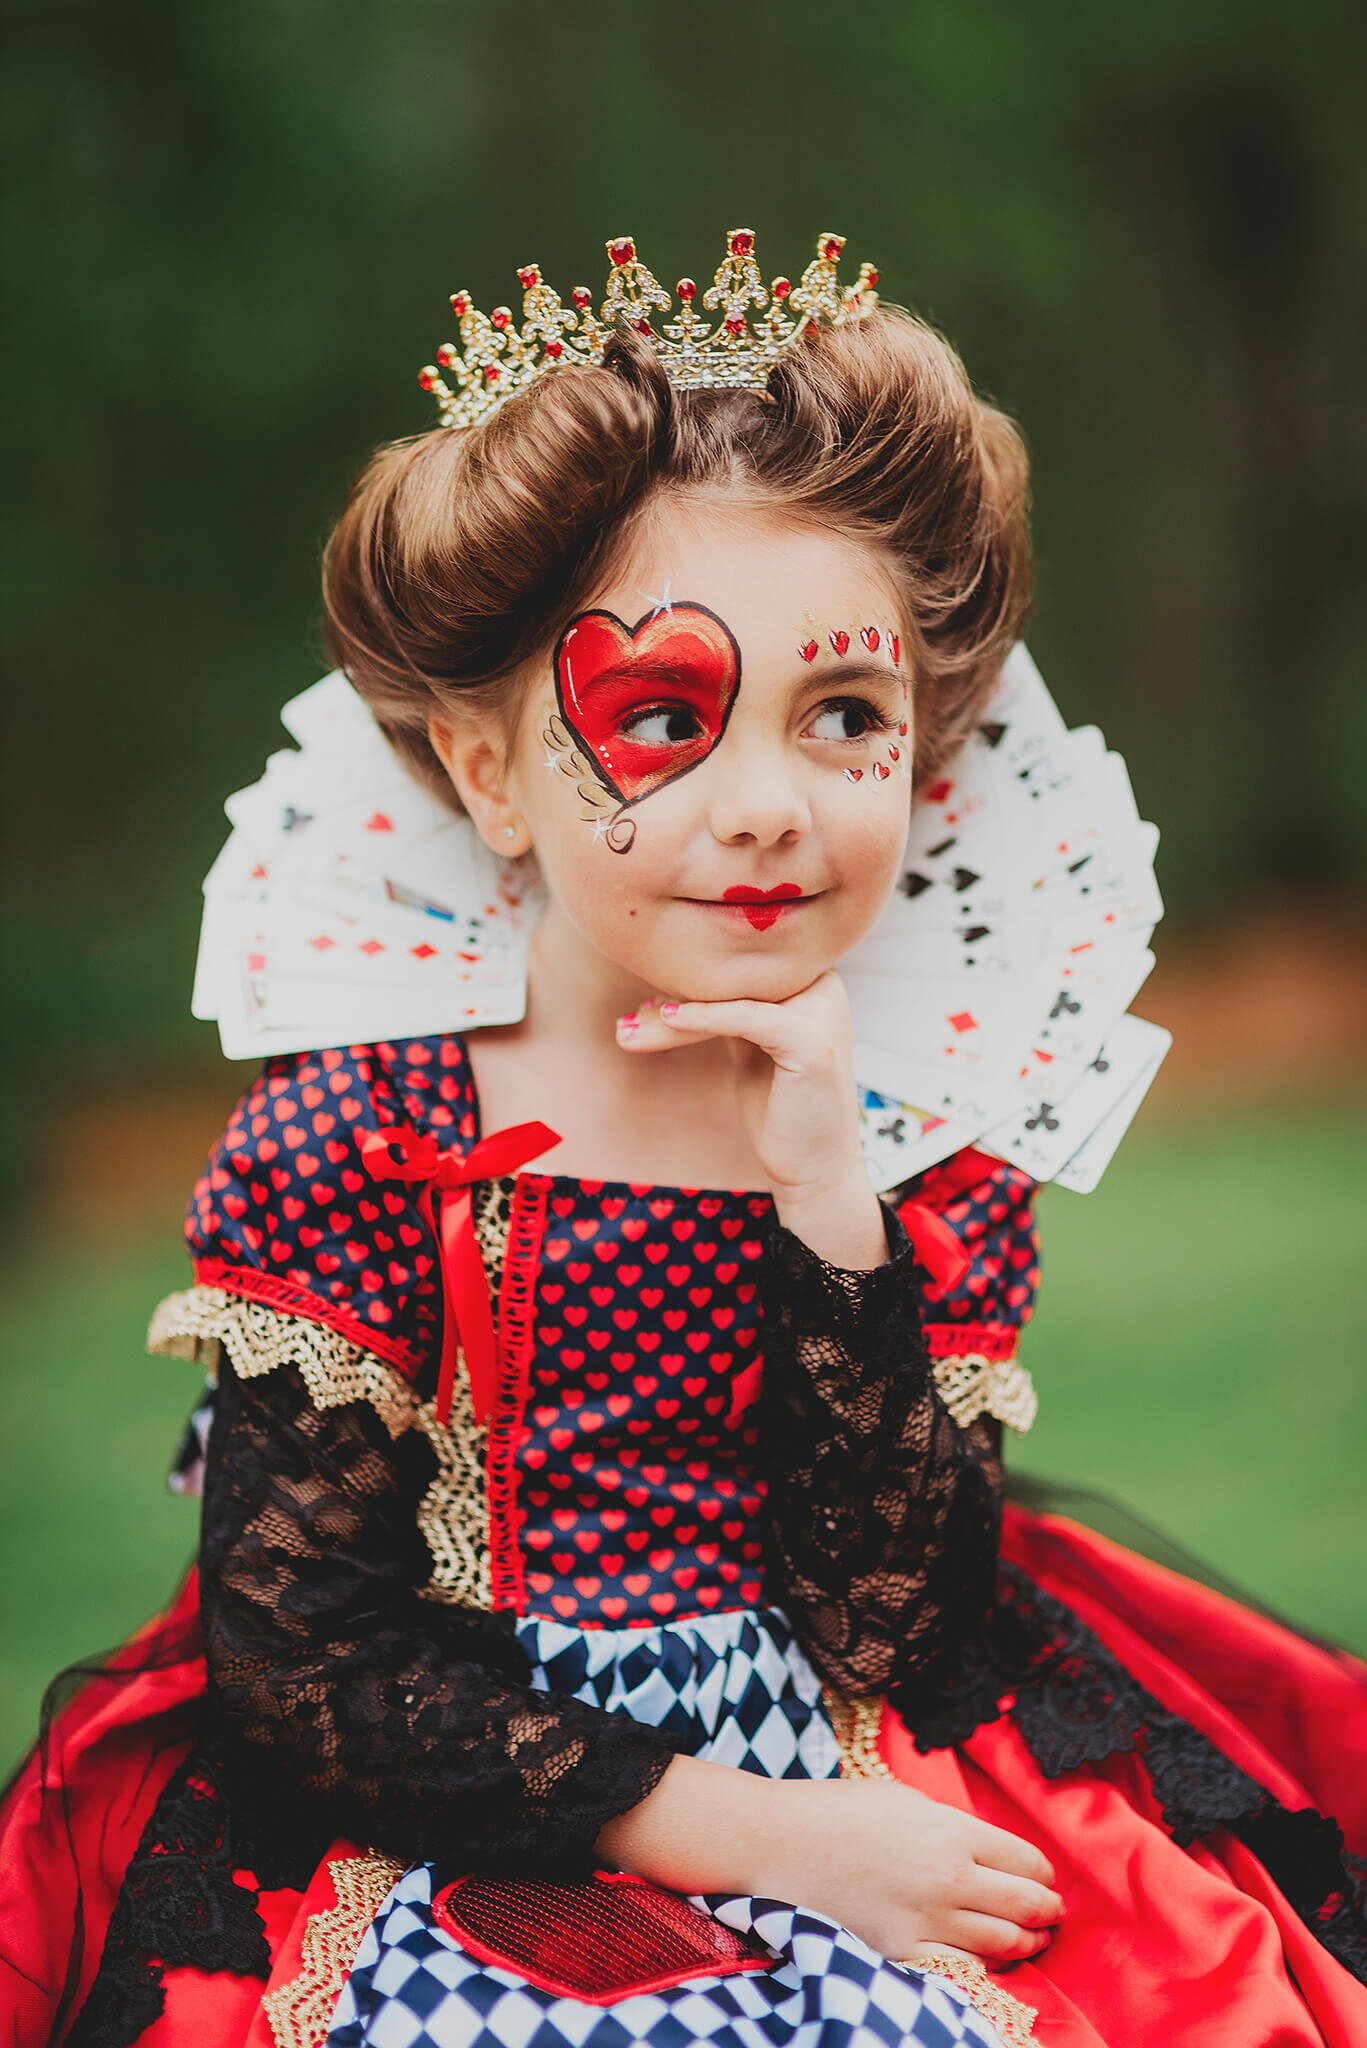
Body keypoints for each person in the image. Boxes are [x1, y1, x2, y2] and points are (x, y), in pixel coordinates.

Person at [4, 231, 1365, 2048]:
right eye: (660, 718)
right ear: (487, 772)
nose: (772, 810)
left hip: (872, 1749)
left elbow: (901, 1629)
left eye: (847, 717)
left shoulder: (918, 1149)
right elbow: (304, 1660)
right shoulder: (374, 1129)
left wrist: (830, 1199)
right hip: (464, 1786)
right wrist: (779, 1842)